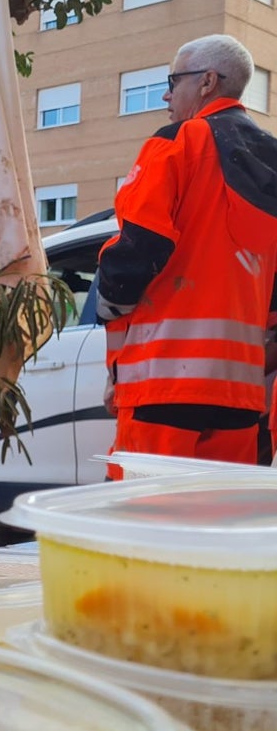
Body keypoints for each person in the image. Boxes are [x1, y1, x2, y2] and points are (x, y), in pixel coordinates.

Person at [97, 34, 277, 478]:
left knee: (144, 523)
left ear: (207, 82)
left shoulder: (178, 144)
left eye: (173, 80)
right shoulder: (272, 159)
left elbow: (136, 253)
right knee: (215, 529)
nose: (165, 93)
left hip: (162, 383)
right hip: (240, 395)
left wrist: (109, 322)